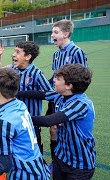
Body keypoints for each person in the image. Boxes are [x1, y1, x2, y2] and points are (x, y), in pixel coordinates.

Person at [0, 68, 50, 180]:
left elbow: (4, 165)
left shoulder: (2, 122)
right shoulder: (20, 104)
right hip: (39, 169)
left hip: (24, 175)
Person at [31, 64, 95, 179]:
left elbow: (49, 120)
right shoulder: (60, 95)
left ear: (68, 85)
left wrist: (20, 119)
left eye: (58, 78)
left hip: (79, 166)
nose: (54, 80)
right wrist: (13, 94)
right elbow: (40, 95)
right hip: (61, 157)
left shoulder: (81, 104)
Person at [48, 19, 88, 171]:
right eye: (52, 32)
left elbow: (82, 79)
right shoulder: (56, 54)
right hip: (56, 98)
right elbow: (53, 78)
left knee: (65, 130)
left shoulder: (77, 52)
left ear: (66, 34)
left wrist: (73, 101)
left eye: (56, 32)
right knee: (53, 129)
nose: (52, 35)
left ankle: (71, 160)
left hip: (69, 100)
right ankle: (55, 162)